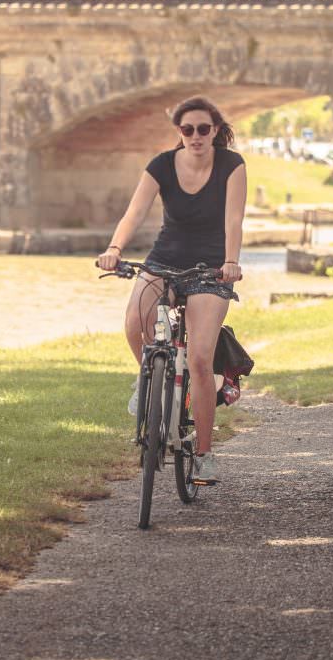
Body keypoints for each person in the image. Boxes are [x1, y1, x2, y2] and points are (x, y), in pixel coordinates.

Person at [96, 96, 248, 485]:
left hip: (211, 266)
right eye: (187, 130)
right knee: (135, 322)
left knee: (199, 358)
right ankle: (147, 378)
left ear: (215, 130)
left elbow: (234, 219)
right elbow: (134, 212)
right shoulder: (162, 164)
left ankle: (205, 454)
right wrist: (115, 249)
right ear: (178, 132)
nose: (195, 136)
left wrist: (231, 261)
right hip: (165, 258)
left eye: (203, 129)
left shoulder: (231, 165)